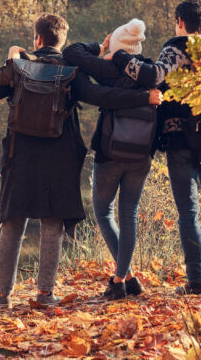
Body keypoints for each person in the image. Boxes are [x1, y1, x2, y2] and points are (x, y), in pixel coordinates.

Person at [0, 14, 161, 308]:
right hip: (58, 156)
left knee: (13, 222)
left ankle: (1, 294)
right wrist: (143, 98)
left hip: (20, 155)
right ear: (60, 41)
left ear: (37, 39)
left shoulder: (20, 69)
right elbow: (103, 96)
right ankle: (45, 294)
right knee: (52, 223)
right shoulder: (72, 71)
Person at [110, 0, 201, 295]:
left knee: (188, 212)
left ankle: (196, 281)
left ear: (180, 20)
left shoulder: (176, 47)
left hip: (181, 139)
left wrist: (118, 57)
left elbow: (154, 76)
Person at [63, 18, 162, 299]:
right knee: (128, 213)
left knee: (104, 213)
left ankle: (120, 279)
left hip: (110, 153)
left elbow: (71, 52)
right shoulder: (152, 73)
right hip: (141, 154)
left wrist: (101, 47)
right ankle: (126, 276)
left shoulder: (109, 69)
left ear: (119, 47)